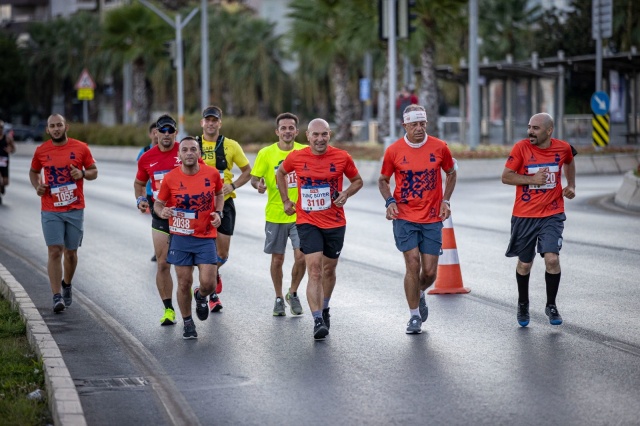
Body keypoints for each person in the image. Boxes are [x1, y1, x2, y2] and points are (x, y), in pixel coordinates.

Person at [276, 118, 363, 340]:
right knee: (314, 269)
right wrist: (286, 200)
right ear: (307, 136)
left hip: (335, 221)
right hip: (307, 221)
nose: (320, 139)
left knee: (328, 270)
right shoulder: (297, 156)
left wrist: (345, 194)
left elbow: (357, 181)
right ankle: (317, 320)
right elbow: (280, 173)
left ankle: (324, 308)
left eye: (324, 134)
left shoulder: (342, 157)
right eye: (315, 135)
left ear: (329, 134)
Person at [378, 104, 457, 335]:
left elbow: (451, 173)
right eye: (414, 124)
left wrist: (446, 200)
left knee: (430, 272)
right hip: (405, 216)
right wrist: (390, 201)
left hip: (432, 217)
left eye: (422, 123)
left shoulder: (440, 147)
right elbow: (383, 180)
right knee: (412, 263)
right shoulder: (394, 150)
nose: (419, 128)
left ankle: (419, 292)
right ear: (405, 125)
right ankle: (414, 316)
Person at [502, 112, 576, 327]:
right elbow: (506, 176)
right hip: (524, 215)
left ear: (549, 130)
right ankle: (523, 303)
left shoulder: (562, 148)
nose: (530, 132)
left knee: (552, 259)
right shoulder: (521, 148)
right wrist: (531, 179)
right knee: (525, 264)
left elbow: (570, 160)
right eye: (529, 127)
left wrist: (570, 185)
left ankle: (551, 305)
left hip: (552, 214)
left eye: (535, 128)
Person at [154, 137, 224, 339]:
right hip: (181, 237)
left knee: (209, 283)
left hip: (205, 235)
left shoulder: (211, 173)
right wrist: (162, 212)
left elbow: (219, 194)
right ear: (179, 155)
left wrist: (218, 213)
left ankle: (200, 296)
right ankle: (187, 322)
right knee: (183, 282)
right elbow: (159, 203)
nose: (190, 153)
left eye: (194, 149)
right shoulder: (170, 178)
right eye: (185, 150)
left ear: (199, 153)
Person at [28, 114, 98, 312]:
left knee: (71, 253)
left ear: (66, 126)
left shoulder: (81, 148)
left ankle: (67, 283)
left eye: (59, 125)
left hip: (75, 207)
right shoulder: (41, 151)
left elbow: (94, 171)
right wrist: (37, 186)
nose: (56, 129)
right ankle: (56, 295)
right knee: (54, 250)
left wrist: (82, 173)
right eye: (52, 126)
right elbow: (34, 172)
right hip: (50, 208)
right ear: (47, 130)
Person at [250, 112, 306, 316]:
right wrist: (259, 184)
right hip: (276, 214)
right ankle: (278, 297)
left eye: (291, 128)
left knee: (302, 257)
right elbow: (254, 178)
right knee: (277, 260)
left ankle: (293, 292)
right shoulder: (266, 154)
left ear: (297, 131)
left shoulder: (305, 151)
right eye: (283, 128)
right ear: (277, 131)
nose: (287, 131)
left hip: (301, 214)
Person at [198, 106, 252, 313]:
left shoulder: (231, 145)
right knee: (203, 252)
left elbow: (247, 171)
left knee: (222, 253)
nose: (211, 124)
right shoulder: (194, 145)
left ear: (220, 123)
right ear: (202, 123)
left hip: (225, 203)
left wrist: (234, 185)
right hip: (199, 204)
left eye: (215, 120)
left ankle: (212, 275)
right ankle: (211, 293)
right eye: (207, 120)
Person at [134, 114, 181, 326]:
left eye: (170, 130)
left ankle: (197, 294)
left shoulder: (186, 151)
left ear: (175, 133)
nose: (166, 134)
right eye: (162, 130)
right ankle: (169, 309)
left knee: (185, 267)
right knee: (163, 264)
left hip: (185, 215)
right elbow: (138, 183)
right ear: (156, 133)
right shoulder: (146, 157)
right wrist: (141, 199)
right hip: (160, 213)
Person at [137, 122, 159, 262]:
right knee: (157, 223)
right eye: (154, 132)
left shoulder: (171, 151)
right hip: (152, 194)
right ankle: (158, 251)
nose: (157, 135)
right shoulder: (145, 152)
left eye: (159, 132)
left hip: (169, 196)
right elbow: (140, 177)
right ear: (150, 134)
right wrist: (142, 196)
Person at [0, 120, 16, 205]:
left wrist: (10, 150)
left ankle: (2, 186)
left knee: (5, 182)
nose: (0, 129)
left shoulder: (8, 138)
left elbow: (14, 149)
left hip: (4, 162)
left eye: (1, 127)